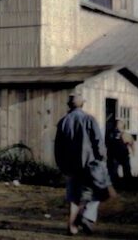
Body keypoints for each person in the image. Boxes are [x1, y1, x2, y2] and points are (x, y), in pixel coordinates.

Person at [55, 94, 113, 235]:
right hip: (90, 163)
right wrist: (102, 157)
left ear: (69, 105)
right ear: (82, 104)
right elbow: (98, 141)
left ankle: (71, 227)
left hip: (70, 165)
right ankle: (87, 217)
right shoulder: (89, 119)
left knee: (73, 196)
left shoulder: (63, 121)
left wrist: (61, 164)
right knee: (97, 192)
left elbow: (58, 146)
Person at [106, 119, 133, 184]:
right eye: (117, 124)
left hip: (123, 154)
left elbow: (131, 142)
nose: (118, 125)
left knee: (126, 169)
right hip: (114, 154)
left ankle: (128, 183)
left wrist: (132, 151)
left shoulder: (125, 134)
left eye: (119, 124)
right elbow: (108, 143)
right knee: (114, 170)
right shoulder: (111, 133)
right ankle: (115, 182)